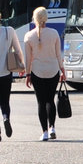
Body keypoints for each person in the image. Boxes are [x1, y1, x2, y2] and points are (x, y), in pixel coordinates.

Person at [24, 7, 65, 141]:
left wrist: (28, 74)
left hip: (37, 71)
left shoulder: (28, 36)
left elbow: (28, 58)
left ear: (34, 19)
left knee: (41, 102)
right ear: (46, 18)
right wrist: (62, 69)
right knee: (50, 100)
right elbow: (59, 54)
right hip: (53, 70)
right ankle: (52, 127)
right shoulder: (54, 33)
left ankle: (45, 132)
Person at [0, 21, 24, 138]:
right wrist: (22, 66)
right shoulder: (8, 31)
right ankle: (5, 118)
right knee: (5, 102)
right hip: (6, 72)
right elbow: (18, 50)